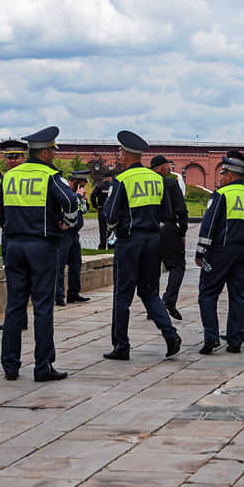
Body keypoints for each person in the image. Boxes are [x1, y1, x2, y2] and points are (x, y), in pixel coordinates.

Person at [0, 126, 82, 382]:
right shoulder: (50, 176)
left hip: (14, 246)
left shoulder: (8, 177)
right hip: (42, 246)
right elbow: (71, 200)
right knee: (42, 306)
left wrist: (12, 228)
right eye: (52, 150)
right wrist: (67, 222)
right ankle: (42, 366)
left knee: (15, 306)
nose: (54, 154)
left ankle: (10, 365)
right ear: (44, 152)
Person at [102, 131, 182, 361]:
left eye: (120, 151)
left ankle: (121, 346)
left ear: (126, 154)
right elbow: (166, 212)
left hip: (129, 241)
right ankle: (170, 335)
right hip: (152, 240)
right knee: (149, 292)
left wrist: (117, 227)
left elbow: (110, 213)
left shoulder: (123, 180)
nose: (119, 155)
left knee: (123, 295)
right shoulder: (157, 180)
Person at [197, 150, 244, 354]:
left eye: (223, 174)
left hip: (221, 251)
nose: (221, 178)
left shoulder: (223, 194)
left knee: (207, 293)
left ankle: (211, 338)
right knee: (238, 294)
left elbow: (210, 224)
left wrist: (200, 251)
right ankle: (234, 340)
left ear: (231, 174)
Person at [0, 139, 29, 331]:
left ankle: (16, 320)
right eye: (9, 157)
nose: (12, 161)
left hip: (15, 236)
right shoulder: (3, 180)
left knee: (17, 281)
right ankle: (18, 319)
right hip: (15, 235)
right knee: (14, 282)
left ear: (24, 157)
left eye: (16, 157)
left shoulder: (7, 180)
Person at [150, 155, 187, 320]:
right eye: (167, 166)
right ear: (160, 167)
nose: (169, 169)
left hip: (150, 229)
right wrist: (183, 230)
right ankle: (169, 300)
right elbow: (181, 208)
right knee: (177, 266)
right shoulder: (170, 183)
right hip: (169, 229)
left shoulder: (147, 184)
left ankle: (153, 307)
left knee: (152, 270)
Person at [56, 170, 91, 306]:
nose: (83, 188)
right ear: (75, 183)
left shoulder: (77, 195)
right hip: (64, 234)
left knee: (76, 264)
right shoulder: (65, 193)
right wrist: (76, 196)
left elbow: (83, 211)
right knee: (59, 265)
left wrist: (84, 201)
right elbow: (64, 208)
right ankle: (59, 295)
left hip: (74, 234)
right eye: (81, 185)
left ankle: (73, 293)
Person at [91, 171, 113, 249]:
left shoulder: (99, 186)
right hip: (111, 210)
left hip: (101, 209)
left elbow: (93, 196)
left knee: (102, 229)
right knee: (111, 228)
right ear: (109, 177)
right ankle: (111, 245)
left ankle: (102, 245)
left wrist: (96, 206)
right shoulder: (113, 186)